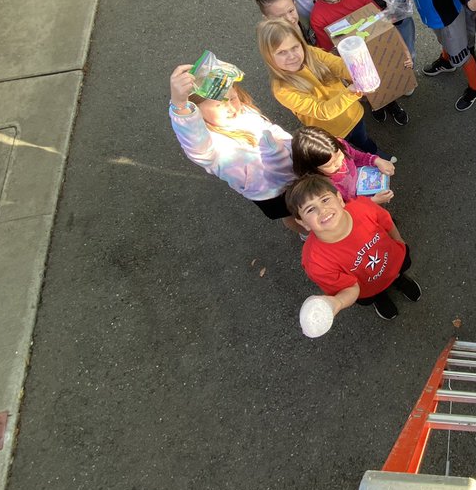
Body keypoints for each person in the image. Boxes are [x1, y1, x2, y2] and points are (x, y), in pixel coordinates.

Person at [167, 63, 297, 230]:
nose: (231, 107)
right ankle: (306, 235)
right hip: (270, 192)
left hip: (293, 169)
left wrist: (291, 145)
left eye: (233, 98)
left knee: (309, 203)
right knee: (290, 216)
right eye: (219, 104)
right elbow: (193, 139)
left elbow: (270, 128)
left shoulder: (243, 112)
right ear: (197, 111)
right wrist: (179, 105)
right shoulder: (210, 146)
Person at [289, 174, 422, 321]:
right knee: (372, 295)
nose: (322, 210)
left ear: (339, 199)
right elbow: (349, 288)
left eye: (325, 199)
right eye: (310, 210)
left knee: (399, 270)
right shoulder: (315, 261)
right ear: (303, 223)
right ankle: (379, 297)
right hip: (367, 289)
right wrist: (337, 302)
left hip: (394, 259)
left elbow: (387, 222)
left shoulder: (362, 207)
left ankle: (399, 280)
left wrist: (399, 240)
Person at [257, 18, 384, 157]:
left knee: (363, 140)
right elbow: (321, 111)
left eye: (295, 47)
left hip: (352, 114)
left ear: (301, 43)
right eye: (282, 52)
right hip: (331, 132)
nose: (292, 56)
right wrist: (352, 92)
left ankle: (374, 154)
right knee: (345, 155)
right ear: (269, 57)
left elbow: (338, 65)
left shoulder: (311, 53)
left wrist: (360, 73)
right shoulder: (282, 89)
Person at [291, 125, 396, 205]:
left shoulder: (340, 144)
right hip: (358, 209)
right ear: (311, 168)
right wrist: (372, 202)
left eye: (339, 155)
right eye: (330, 164)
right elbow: (342, 209)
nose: (339, 163)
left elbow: (356, 156)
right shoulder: (321, 187)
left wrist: (377, 161)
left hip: (366, 191)